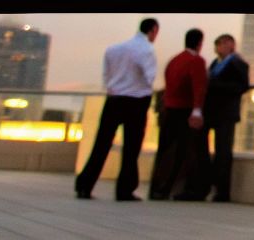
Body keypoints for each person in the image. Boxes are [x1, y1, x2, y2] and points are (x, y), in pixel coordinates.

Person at [75, 17, 161, 201]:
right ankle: (125, 189)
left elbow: (106, 75)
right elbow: (149, 78)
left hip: (113, 99)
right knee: (131, 148)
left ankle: (84, 185)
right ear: (153, 30)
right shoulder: (147, 50)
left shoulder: (114, 49)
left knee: (101, 144)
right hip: (136, 101)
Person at [151, 27, 210, 200]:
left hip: (169, 110)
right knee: (186, 151)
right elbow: (199, 87)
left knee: (166, 149)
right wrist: (197, 111)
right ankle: (181, 188)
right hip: (186, 111)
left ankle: (158, 188)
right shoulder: (197, 61)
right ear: (200, 43)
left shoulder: (174, 60)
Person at [203, 33, 251, 203]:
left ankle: (222, 191)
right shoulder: (216, 64)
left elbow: (243, 86)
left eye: (222, 44)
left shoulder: (237, 63)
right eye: (217, 44)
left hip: (226, 113)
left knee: (223, 152)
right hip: (212, 112)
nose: (218, 47)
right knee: (210, 150)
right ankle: (208, 185)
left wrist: (215, 84)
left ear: (231, 45)